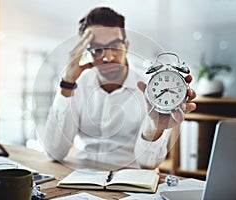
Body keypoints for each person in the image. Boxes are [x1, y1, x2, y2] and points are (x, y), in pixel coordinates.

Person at [37, 7, 196, 170]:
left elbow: (148, 164)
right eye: (97, 49)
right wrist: (67, 82)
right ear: (86, 53)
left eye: (115, 46)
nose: (108, 57)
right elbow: (54, 152)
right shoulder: (77, 85)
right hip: (80, 176)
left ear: (126, 46)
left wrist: (155, 129)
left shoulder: (152, 90)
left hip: (131, 181)